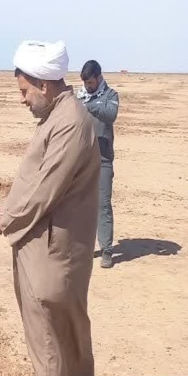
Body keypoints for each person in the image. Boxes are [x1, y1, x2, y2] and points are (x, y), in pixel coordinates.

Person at [0, 40, 99, 376]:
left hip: (53, 251)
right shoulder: (59, 115)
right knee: (44, 337)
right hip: (42, 244)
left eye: (24, 92)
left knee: (50, 337)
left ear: (45, 84)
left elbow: (45, 189)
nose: (23, 100)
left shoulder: (70, 123)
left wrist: (7, 218)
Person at [77, 59, 120, 268]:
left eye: (91, 83)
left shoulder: (111, 96)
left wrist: (89, 106)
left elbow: (109, 114)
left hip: (103, 161)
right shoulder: (79, 97)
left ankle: (107, 250)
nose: (87, 87)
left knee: (103, 205)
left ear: (99, 77)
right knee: (81, 207)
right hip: (81, 161)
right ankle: (83, 247)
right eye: (85, 84)